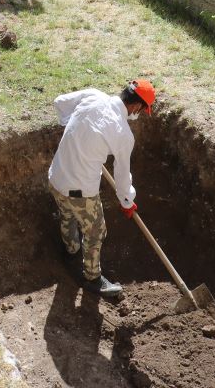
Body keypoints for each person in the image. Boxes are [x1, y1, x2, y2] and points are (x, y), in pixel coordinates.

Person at [48, 80, 156, 299]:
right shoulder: (123, 134)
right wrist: (127, 201)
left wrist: (75, 128)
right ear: (136, 107)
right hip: (80, 191)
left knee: (67, 215)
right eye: (142, 111)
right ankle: (92, 277)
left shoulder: (92, 95)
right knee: (96, 231)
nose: (139, 114)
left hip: (55, 177)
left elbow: (59, 102)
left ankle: (71, 252)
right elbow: (122, 176)